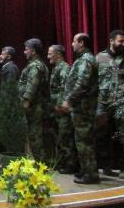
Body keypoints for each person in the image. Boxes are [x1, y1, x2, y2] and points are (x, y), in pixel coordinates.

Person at [96, 30, 124, 176]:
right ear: (111, 41)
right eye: (120, 41)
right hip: (103, 103)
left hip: (123, 104)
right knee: (102, 135)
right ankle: (106, 167)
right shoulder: (99, 58)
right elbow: (93, 81)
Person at [61, 33, 99, 184]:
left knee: (84, 142)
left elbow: (82, 82)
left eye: (74, 41)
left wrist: (69, 100)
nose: (72, 44)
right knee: (82, 141)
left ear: (81, 43)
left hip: (84, 108)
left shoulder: (86, 60)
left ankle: (90, 174)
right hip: (81, 107)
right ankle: (86, 170)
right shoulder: (83, 59)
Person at [18, 38, 49, 162]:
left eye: (27, 49)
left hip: (34, 106)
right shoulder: (37, 64)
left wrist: (26, 101)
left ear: (33, 51)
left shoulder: (35, 66)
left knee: (35, 136)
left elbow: (32, 84)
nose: (24, 52)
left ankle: (40, 164)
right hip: (35, 105)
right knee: (34, 136)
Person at [48, 44, 76, 173]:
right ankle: (63, 162)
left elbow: (66, 88)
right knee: (60, 137)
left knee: (65, 137)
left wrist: (60, 105)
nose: (48, 57)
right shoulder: (57, 68)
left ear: (58, 54)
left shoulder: (64, 68)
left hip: (62, 110)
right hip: (56, 109)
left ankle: (70, 164)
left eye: (50, 54)